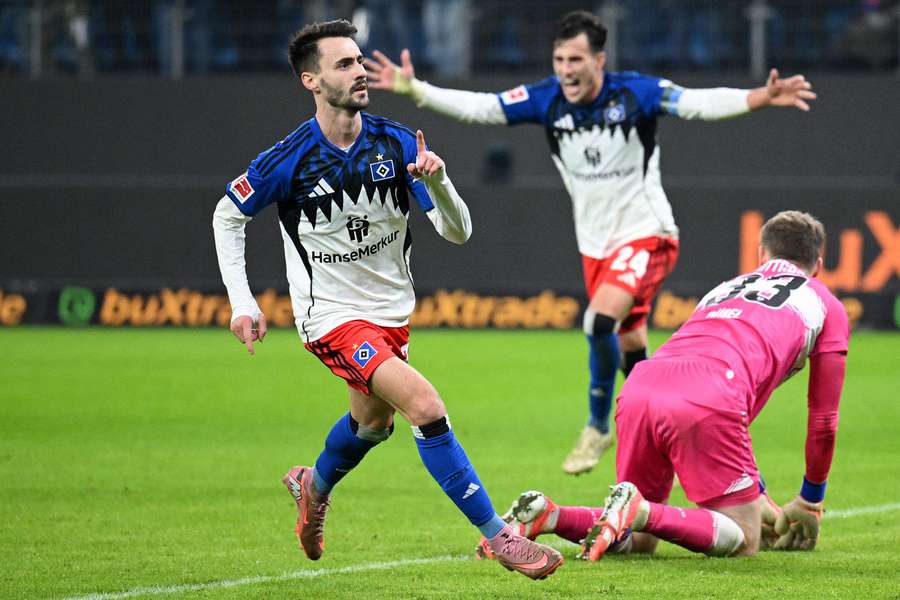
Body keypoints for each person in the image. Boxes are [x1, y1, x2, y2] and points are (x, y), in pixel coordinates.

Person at [364, 10, 818, 475]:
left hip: (647, 233)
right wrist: (416, 89)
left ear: (599, 59)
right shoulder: (546, 99)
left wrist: (760, 96)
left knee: (599, 320)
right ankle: (659, 419)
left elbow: (697, 102)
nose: (566, 69)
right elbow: (484, 107)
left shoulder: (635, 93)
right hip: (596, 247)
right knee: (631, 343)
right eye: (559, 59)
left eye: (575, 59)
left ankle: (598, 425)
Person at [211, 19, 562, 580]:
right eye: (343, 64)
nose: (358, 72)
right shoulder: (288, 159)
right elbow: (228, 213)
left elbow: (458, 233)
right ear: (311, 80)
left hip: (390, 317)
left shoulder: (397, 144)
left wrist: (441, 181)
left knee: (372, 425)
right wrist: (243, 302)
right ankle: (499, 536)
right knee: (424, 406)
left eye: (358, 60)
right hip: (328, 318)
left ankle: (313, 485)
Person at [476, 211, 849, 559]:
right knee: (746, 537)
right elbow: (824, 419)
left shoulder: (724, 289)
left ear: (761, 253)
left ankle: (548, 515)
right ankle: (637, 508)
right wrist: (810, 500)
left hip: (644, 383)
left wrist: (757, 492)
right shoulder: (825, 304)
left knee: (638, 539)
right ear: (819, 263)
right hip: (711, 393)